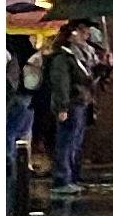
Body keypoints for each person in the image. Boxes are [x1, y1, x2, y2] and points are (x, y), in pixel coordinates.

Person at [37, 25, 98, 189]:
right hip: (72, 103)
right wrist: (62, 107)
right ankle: (62, 178)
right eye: (81, 32)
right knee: (66, 141)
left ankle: (72, 177)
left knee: (75, 142)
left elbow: (88, 78)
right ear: (71, 36)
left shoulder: (79, 55)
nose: (85, 36)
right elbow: (61, 83)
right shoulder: (63, 57)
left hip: (81, 102)